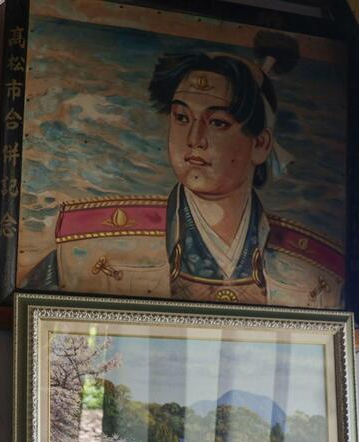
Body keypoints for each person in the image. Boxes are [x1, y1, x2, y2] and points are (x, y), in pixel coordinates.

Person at [24, 32, 344, 308]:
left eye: (217, 122)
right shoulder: (88, 249)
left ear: (260, 143)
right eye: (181, 118)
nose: (194, 140)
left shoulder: (313, 271)